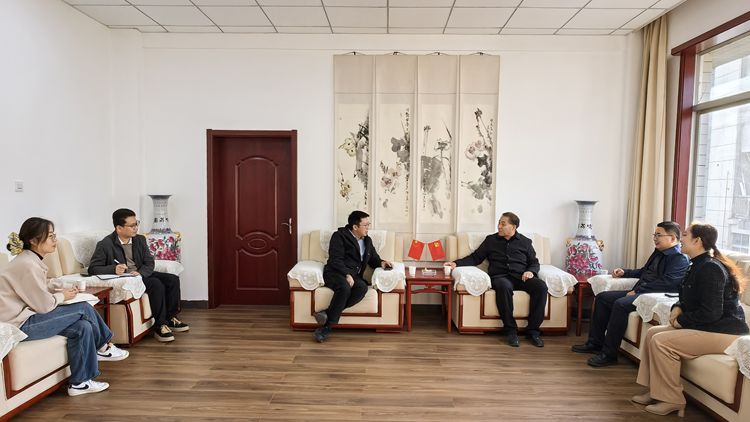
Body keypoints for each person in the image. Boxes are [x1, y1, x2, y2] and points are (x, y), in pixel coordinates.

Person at [0, 218, 128, 396]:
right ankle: (103, 346)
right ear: (34, 240)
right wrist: (63, 296)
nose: (55, 240)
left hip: (27, 317)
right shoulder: (27, 264)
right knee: (83, 308)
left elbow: (41, 285)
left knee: (83, 326)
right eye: (50, 236)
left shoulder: (30, 260)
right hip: (19, 325)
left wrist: (62, 287)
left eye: (55, 236)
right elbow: (44, 306)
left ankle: (80, 383)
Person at [632, 222, 748, 417]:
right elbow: (687, 297)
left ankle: (672, 400)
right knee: (652, 333)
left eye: (685, 235)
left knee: (661, 341)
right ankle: (654, 391)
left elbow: (711, 313)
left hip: (727, 332)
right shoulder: (696, 265)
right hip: (710, 327)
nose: (681, 239)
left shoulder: (711, 268)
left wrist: (682, 321)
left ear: (697, 241)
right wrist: (678, 307)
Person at [572, 221, 689, 367]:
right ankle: (595, 343)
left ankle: (609, 354)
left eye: (658, 235)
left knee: (620, 304)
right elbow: (644, 272)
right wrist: (624, 272)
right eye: (654, 235)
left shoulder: (679, 258)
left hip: (652, 295)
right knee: (602, 298)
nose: (655, 238)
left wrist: (638, 291)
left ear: (672, 238)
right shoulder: (658, 252)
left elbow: (667, 283)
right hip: (641, 291)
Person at [447, 212, 547, 347]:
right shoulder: (491, 240)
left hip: (521, 276)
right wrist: (456, 263)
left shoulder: (525, 242)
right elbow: (476, 257)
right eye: (499, 223)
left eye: (503, 224)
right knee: (504, 286)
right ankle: (511, 331)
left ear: (513, 227)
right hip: (501, 277)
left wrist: (530, 271)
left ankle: (533, 332)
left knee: (541, 287)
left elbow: (534, 262)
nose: (499, 226)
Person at [88, 208, 189, 342]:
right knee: (156, 284)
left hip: (141, 274)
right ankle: (160, 326)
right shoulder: (105, 244)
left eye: (136, 224)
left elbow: (149, 262)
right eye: (132, 226)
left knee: (173, 279)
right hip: (128, 279)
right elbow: (93, 268)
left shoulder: (140, 240)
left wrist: (141, 273)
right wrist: (114, 269)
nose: (136, 228)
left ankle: (170, 318)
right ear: (119, 228)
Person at [314, 210, 392, 343]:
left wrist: (382, 263)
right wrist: (347, 274)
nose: (368, 228)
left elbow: (373, 258)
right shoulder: (339, 236)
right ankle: (326, 328)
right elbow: (335, 260)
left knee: (362, 288)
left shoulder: (367, 240)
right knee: (344, 288)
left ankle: (327, 313)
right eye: (365, 225)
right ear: (355, 227)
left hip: (353, 275)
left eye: (368, 224)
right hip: (335, 272)